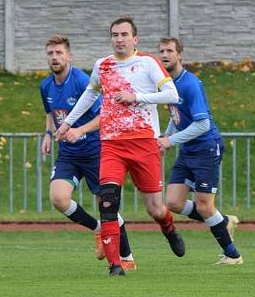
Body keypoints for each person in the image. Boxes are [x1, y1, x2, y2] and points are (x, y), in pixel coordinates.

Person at [56, 17, 182, 277]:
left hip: (144, 141)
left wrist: (136, 96)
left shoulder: (148, 63)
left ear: (135, 39)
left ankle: (168, 227)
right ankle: (116, 265)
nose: (119, 39)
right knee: (108, 201)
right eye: (115, 34)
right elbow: (90, 94)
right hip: (112, 143)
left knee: (154, 208)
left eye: (124, 34)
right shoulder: (102, 65)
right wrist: (68, 123)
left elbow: (172, 95)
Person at [39, 34, 136, 271]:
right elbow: (51, 114)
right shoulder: (45, 85)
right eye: (50, 53)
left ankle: (127, 256)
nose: (54, 57)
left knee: (107, 205)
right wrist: (49, 134)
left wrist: (79, 129)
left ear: (68, 56)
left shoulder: (82, 80)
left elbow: (104, 115)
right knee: (58, 198)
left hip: (95, 150)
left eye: (59, 53)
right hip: (69, 154)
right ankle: (97, 229)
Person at [158, 37, 242, 265]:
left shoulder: (190, 83)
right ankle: (223, 220)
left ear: (180, 55)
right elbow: (176, 117)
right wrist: (166, 136)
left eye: (169, 51)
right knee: (173, 202)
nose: (165, 55)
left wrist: (171, 141)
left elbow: (202, 124)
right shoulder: (166, 84)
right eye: (161, 51)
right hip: (188, 150)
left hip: (206, 147)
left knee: (205, 206)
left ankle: (233, 255)